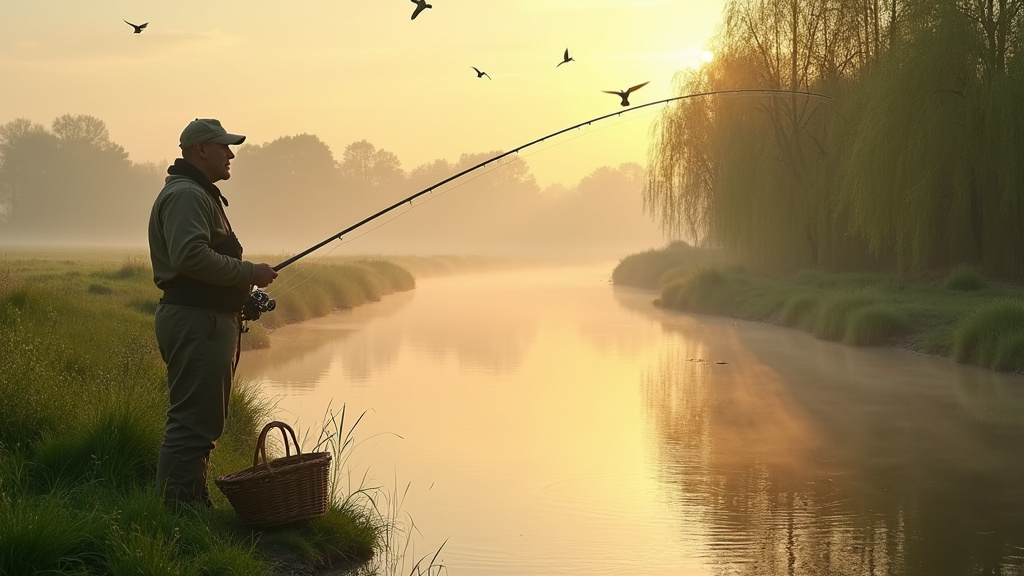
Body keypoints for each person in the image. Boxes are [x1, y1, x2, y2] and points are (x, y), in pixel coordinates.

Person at [148, 118, 278, 508]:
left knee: (202, 423)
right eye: (224, 147)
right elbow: (189, 257)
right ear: (201, 150)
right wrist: (247, 273)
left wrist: (242, 290)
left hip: (203, 320)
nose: (231, 154)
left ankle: (191, 503)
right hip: (196, 322)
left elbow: (201, 259)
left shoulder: (197, 193)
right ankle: (175, 514)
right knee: (192, 424)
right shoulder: (188, 195)